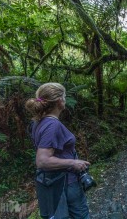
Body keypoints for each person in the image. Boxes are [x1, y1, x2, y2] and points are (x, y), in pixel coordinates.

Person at [25, 82, 90, 219]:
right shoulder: (52, 125)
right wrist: (73, 163)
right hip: (65, 183)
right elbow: (42, 161)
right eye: (64, 96)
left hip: (57, 183)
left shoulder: (39, 122)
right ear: (60, 101)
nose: (65, 100)